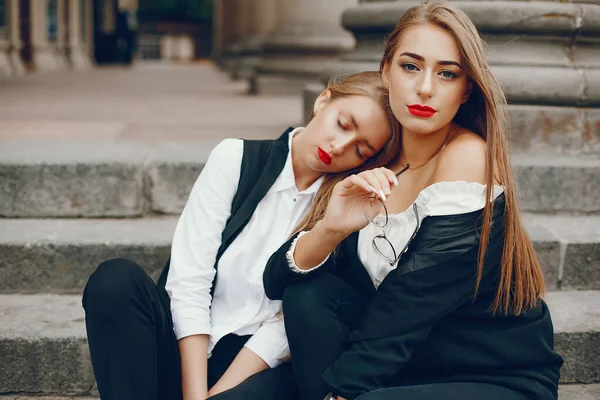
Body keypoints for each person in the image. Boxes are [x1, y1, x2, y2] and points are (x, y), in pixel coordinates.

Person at [263, 3, 564, 400]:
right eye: (410, 66)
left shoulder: (467, 157)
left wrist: (338, 395)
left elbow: (409, 303)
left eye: (447, 73)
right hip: (406, 365)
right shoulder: (375, 156)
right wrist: (330, 228)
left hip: (492, 375)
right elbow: (276, 282)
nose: (425, 88)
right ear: (386, 71)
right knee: (309, 294)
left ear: (466, 88)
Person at [82, 71, 402, 400]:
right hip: (184, 348)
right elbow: (189, 280)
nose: (340, 146)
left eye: (361, 151)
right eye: (343, 124)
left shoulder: (345, 207)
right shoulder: (236, 158)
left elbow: (283, 325)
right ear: (323, 101)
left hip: (251, 371)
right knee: (114, 281)